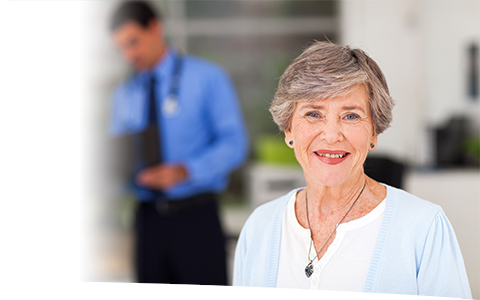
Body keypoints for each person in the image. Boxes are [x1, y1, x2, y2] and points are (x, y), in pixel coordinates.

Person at [233, 41, 472, 299]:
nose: (332, 135)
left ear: (374, 132)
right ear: (288, 130)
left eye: (351, 116)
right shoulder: (260, 227)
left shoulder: (423, 227)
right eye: (313, 113)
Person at [106, 1, 248, 285]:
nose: (128, 54)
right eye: (120, 48)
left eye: (133, 42)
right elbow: (116, 154)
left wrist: (185, 171)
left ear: (155, 28)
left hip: (195, 217)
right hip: (147, 220)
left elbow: (235, 144)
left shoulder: (207, 78)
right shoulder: (123, 93)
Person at [6, 53, 85, 281]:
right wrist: (45, 194)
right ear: (24, 87)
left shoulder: (64, 135)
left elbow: (76, 197)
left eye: (61, 85)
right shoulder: (7, 138)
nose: (58, 93)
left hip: (63, 254)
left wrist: (69, 201)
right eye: (49, 86)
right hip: (24, 258)